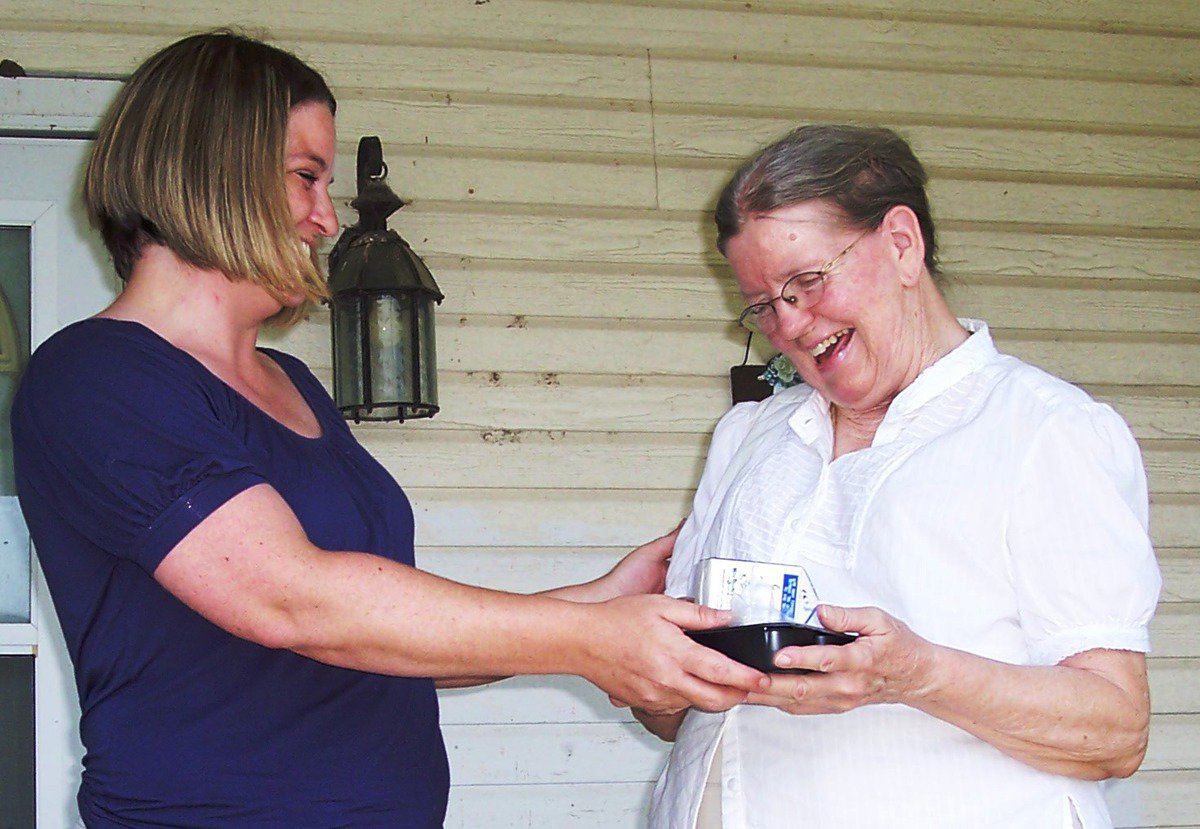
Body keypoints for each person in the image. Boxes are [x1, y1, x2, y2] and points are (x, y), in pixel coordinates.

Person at [9, 31, 767, 829]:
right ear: (212, 172)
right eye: (305, 178)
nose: (325, 217)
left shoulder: (293, 384)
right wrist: (590, 637)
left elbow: (378, 648)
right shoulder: (98, 377)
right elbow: (292, 598)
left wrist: (597, 600)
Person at [635, 125, 1161, 828]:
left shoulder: (1044, 429)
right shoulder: (748, 436)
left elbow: (1116, 729)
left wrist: (916, 674)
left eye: (808, 281)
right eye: (763, 304)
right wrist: (649, 673)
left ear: (903, 244)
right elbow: (674, 714)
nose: (789, 325)